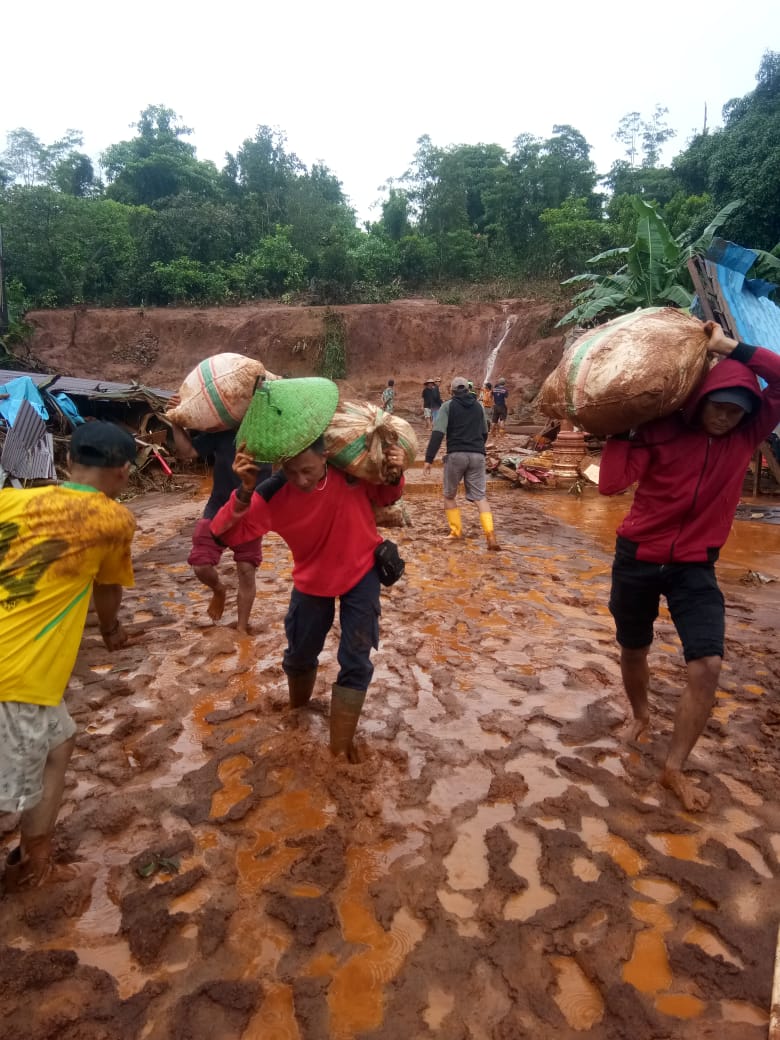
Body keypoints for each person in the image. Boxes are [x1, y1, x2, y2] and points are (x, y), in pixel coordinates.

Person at [599, 321, 780, 812]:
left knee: (707, 665)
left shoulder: (745, 438)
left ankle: (674, 767)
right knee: (633, 649)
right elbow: (610, 486)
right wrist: (622, 433)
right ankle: (640, 714)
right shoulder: (660, 429)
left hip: (696, 566)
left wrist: (731, 348)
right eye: (717, 408)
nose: (723, 419)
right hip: (637, 558)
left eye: (734, 413)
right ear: (699, 402)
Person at [0, 422, 137, 893]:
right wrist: (113, 630)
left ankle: (33, 859)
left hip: (16, 666)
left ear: (67, 463)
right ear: (122, 473)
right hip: (18, 672)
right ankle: (31, 870)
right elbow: (108, 590)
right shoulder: (111, 520)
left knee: (59, 743)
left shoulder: (9, 500)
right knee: (10, 784)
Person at [211, 437, 408, 761]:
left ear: (326, 457)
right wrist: (245, 490)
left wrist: (395, 472)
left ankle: (339, 749)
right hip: (312, 579)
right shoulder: (272, 492)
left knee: (356, 658)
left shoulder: (351, 473)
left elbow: (387, 495)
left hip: (362, 572)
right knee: (300, 653)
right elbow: (224, 534)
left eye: (308, 470)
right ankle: (297, 713)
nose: (300, 480)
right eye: (290, 471)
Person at [168, 398, 271, 636]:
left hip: (252, 511)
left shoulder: (272, 434)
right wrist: (176, 421)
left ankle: (242, 628)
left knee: (246, 570)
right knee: (201, 565)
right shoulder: (222, 432)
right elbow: (188, 453)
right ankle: (219, 589)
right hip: (218, 507)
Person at [422, 375, 499, 551]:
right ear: (468, 389)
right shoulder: (479, 407)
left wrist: (428, 459)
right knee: (480, 497)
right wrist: (478, 446)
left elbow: (438, 433)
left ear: (452, 391)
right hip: (478, 455)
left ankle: (456, 532)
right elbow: (484, 432)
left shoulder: (448, 406)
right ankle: (490, 534)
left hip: (456, 455)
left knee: (449, 495)